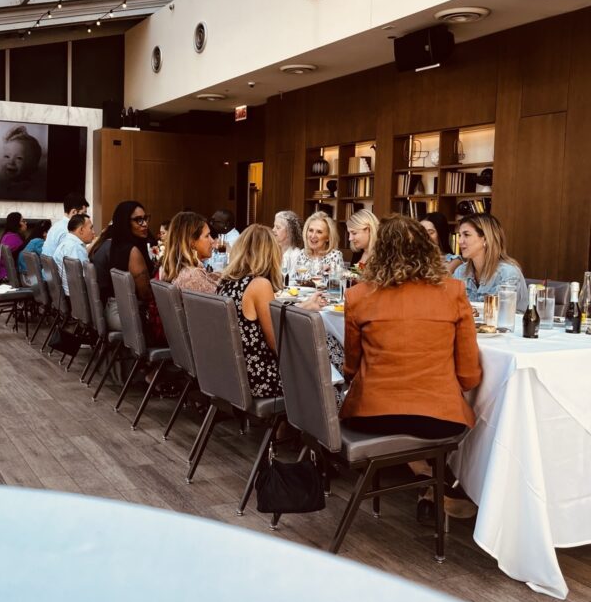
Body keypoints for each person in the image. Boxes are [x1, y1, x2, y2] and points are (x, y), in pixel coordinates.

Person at [340, 215, 482, 518]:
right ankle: (438, 483)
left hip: (371, 416)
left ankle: (425, 479)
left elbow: (350, 368)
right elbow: (469, 376)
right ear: (426, 249)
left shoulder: (356, 296)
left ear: (379, 252)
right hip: (437, 419)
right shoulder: (454, 292)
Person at [217, 225, 326, 399]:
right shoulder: (259, 284)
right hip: (259, 378)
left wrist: (302, 307)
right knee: (325, 362)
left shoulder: (226, 281)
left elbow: (264, 316)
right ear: (270, 253)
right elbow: (277, 342)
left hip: (231, 372)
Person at [102, 200, 158, 335]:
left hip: (115, 309)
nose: (145, 224)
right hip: (126, 316)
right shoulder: (133, 251)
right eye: (138, 220)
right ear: (125, 223)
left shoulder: (118, 246)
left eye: (145, 218)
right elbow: (146, 295)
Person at [453, 213, 528, 311]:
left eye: (466, 235)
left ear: (486, 239)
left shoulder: (508, 273)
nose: (460, 241)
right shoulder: (460, 272)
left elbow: (501, 313)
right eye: (460, 235)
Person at [160, 212, 220, 294]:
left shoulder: (168, 269)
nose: (212, 241)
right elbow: (223, 304)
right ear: (192, 242)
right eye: (207, 236)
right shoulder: (192, 276)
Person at [293, 211, 344, 281]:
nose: (313, 236)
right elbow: (295, 281)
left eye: (319, 232)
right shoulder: (302, 254)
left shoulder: (335, 256)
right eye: (311, 230)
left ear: (328, 237)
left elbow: (336, 285)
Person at [52, 213, 95, 294]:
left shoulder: (67, 243)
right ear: (81, 230)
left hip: (68, 296)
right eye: (91, 228)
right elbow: (86, 279)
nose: (93, 232)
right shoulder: (75, 248)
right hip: (76, 299)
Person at [43, 192, 89, 257]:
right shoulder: (67, 231)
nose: (85, 218)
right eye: (83, 213)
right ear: (74, 212)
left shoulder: (56, 226)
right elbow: (73, 258)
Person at [271, 210, 304, 280]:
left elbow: (292, 280)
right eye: (274, 226)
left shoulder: (296, 254)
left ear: (289, 232)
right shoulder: (271, 251)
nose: (273, 230)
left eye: (278, 227)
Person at [0, 212, 26, 280]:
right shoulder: (12, 238)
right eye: (23, 221)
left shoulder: (8, 236)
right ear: (16, 223)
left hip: (6, 274)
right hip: (10, 277)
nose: (25, 223)